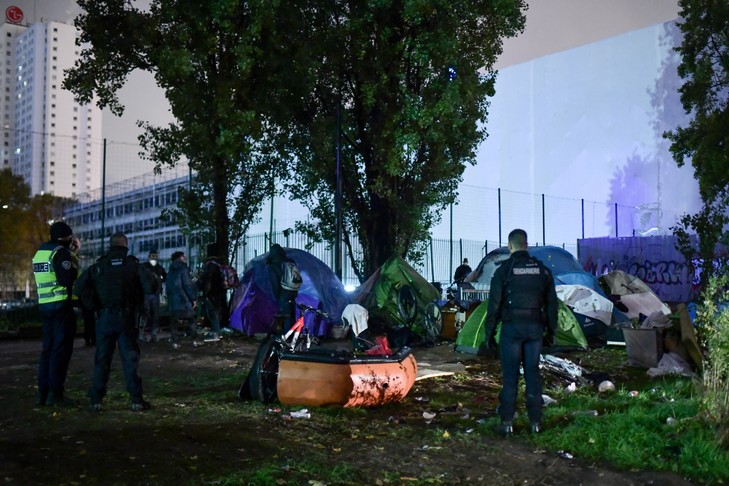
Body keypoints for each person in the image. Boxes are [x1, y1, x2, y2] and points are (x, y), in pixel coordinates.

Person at [483, 229, 558, 436]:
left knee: (510, 376)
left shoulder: (504, 270)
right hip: (534, 329)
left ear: (510, 246)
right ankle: (536, 423)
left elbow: (494, 306)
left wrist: (488, 335)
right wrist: (551, 332)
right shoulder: (542, 271)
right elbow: (552, 305)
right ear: (526, 245)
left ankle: (507, 423)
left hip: (512, 329)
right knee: (533, 374)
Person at [86, 232, 152, 412]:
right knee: (130, 359)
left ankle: (96, 400)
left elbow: (79, 287)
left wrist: (93, 305)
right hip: (126, 318)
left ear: (110, 246)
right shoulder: (133, 266)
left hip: (104, 318)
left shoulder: (99, 266)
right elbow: (150, 286)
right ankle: (136, 400)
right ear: (125, 245)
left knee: (102, 359)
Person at [32, 221, 79, 407]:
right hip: (60, 307)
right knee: (60, 352)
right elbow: (66, 278)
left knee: (47, 351)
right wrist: (73, 258)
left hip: (45, 306)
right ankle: (56, 394)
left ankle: (42, 394)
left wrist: (71, 254)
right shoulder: (61, 252)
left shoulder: (40, 253)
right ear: (67, 237)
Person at [197, 243, 227, 341]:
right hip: (219, 293)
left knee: (213, 314)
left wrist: (205, 293)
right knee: (217, 313)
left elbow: (208, 281)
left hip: (212, 294)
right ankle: (218, 332)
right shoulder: (219, 265)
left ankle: (215, 334)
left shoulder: (210, 266)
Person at [266, 243, 299, 332]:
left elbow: (275, 283)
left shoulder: (273, 265)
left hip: (283, 293)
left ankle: (287, 336)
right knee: (292, 314)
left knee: (285, 315)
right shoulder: (290, 261)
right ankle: (293, 335)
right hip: (293, 291)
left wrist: (277, 297)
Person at [166, 251, 197, 345]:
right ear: (179, 258)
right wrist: (193, 298)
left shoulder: (170, 269)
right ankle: (194, 339)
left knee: (174, 320)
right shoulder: (183, 268)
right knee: (191, 318)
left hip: (173, 298)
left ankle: (175, 340)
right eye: (183, 256)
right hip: (183, 298)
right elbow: (187, 284)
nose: (185, 258)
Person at [70, 237, 96, 347]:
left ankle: (89, 338)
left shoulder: (73, 256)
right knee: (88, 318)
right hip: (76, 293)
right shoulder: (71, 257)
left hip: (77, 293)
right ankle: (90, 339)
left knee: (87, 318)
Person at [138, 250, 167, 343]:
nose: (154, 258)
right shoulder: (144, 267)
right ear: (149, 256)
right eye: (152, 256)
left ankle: (153, 335)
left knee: (155, 315)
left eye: (155, 256)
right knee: (145, 315)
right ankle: (141, 335)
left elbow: (164, 278)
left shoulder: (159, 268)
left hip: (155, 294)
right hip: (146, 294)